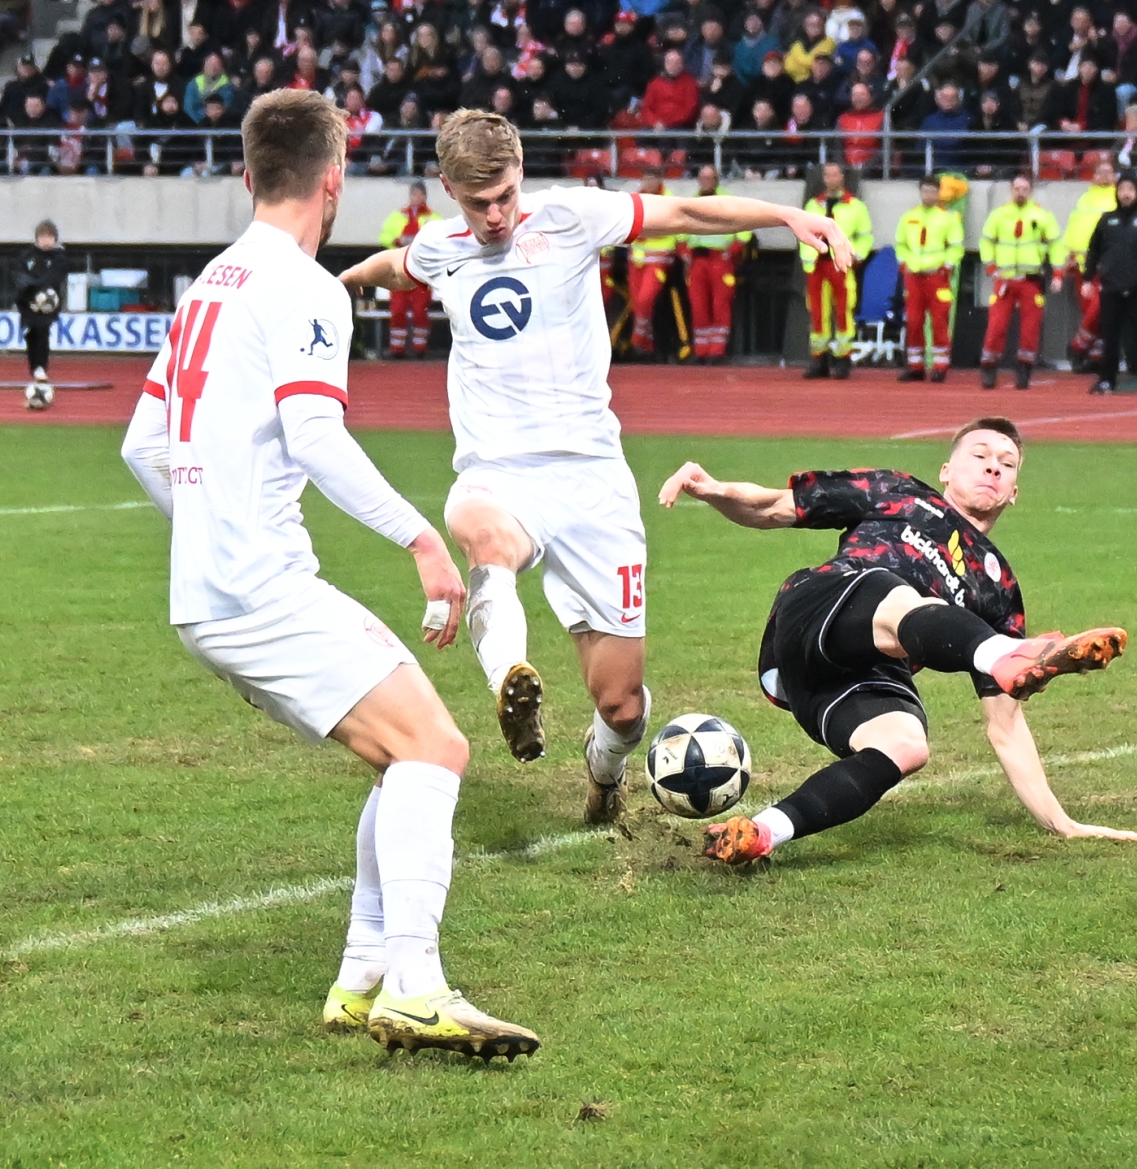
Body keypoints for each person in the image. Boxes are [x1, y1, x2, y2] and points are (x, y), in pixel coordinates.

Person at [118, 90, 536, 1059]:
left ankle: (360, 979)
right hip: (260, 585)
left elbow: (143, 444)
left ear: (248, 175)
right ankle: (417, 986)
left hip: (212, 592)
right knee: (436, 747)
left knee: (405, 751)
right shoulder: (306, 285)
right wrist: (421, 538)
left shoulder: (209, 283)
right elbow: (314, 433)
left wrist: (209, 536)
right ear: (334, 180)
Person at [338, 109, 852, 824]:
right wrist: (341, 282)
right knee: (484, 536)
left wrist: (787, 214)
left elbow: (684, 212)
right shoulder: (439, 246)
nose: (495, 215)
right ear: (450, 190)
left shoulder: (571, 216)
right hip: (499, 470)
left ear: (522, 174)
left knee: (623, 705)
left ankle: (604, 772)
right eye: (479, 202)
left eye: (506, 195)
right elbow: (395, 269)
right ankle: (511, 681)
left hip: (593, 481)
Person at [655, 419, 1137, 865]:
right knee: (898, 595)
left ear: (1014, 492)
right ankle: (1001, 653)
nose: (993, 467)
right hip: (820, 606)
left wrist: (1063, 823)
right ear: (946, 470)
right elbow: (770, 507)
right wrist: (713, 489)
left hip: (848, 677)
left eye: (1007, 464)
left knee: (906, 745)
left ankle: (763, 832)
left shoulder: (998, 588)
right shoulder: (899, 492)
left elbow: (1006, 726)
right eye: (979, 455)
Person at [978, 170, 1062, 390]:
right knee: (996, 325)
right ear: (1011, 190)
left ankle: (1024, 368)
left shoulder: (1042, 216)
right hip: (1004, 279)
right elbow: (986, 241)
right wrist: (990, 266)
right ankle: (989, 366)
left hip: (1031, 279)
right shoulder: (999, 215)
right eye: (1017, 189)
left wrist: (1058, 273)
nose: (1020, 192)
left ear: (1031, 191)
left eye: (1025, 189)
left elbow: (1055, 244)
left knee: (1030, 327)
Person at [1085, 173, 1137, 395]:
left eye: (1130, 189)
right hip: (1111, 287)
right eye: (1122, 189)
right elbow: (1093, 250)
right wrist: (1088, 278)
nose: (1126, 194)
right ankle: (1107, 380)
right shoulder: (1106, 221)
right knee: (1110, 337)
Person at [799, 160, 874, 379]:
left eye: (834, 175)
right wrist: (807, 259)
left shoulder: (856, 206)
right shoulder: (813, 205)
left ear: (842, 177)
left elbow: (866, 237)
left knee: (843, 311)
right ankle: (819, 359)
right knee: (817, 313)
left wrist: (855, 256)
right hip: (817, 265)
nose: (830, 179)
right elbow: (804, 234)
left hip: (840, 265)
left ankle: (843, 359)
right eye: (827, 175)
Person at [893, 173, 964, 383]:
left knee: (939, 321)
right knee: (914, 321)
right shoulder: (909, 217)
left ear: (939, 193)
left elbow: (956, 246)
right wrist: (904, 264)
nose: (928, 195)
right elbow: (901, 244)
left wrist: (946, 267)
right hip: (914, 277)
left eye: (932, 191)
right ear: (920, 192)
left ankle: (940, 366)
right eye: (925, 191)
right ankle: (916, 366)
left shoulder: (949, 217)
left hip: (937, 277)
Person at [680, 165, 751, 363]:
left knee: (720, 304)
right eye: (703, 178)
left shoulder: (728, 202)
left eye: (709, 178)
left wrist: (731, 251)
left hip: (720, 260)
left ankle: (717, 350)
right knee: (698, 305)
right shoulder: (691, 203)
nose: (706, 182)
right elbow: (680, 233)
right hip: (697, 261)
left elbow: (745, 230)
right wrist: (684, 253)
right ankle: (701, 350)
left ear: (716, 180)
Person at [1054, 156, 1116, 372]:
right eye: (1100, 172)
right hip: (1081, 266)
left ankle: (1078, 346)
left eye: (1108, 172)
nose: (1104, 176)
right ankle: (1096, 358)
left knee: (1100, 310)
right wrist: (1067, 258)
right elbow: (1074, 230)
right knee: (1091, 311)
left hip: (1106, 266)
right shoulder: (1084, 199)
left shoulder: (1117, 198)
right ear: (1094, 175)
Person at [623, 166, 684, 360]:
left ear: (660, 179)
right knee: (638, 303)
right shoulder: (634, 199)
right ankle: (646, 344)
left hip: (659, 260)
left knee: (645, 299)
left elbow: (671, 227)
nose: (649, 182)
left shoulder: (668, 200)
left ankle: (638, 340)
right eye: (646, 178)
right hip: (636, 261)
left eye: (652, 178)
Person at [376, 182, 438, 357]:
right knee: (397, 309)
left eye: (420, 195)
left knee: (420, 311)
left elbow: (439, 240)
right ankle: (397, 350)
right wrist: (397, 240)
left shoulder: (434, 218)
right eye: (414, 194)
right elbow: (384, 236)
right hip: (400, 270)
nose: (417, 198)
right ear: (410, 196)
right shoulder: (398, 216)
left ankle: (420, 349)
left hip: (421, 272)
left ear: (424, 196)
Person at [13, 220, 68, 391]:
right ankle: (35, 366)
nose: (46, 240)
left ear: (55, 239)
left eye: (49, 237)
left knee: (42, 331)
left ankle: (40, 367)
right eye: (43, 236)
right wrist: (26, 287)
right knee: (31, 333)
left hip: (48, 304)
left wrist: (35, 286)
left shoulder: (59, 258)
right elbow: (19, 274)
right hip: (27, 302)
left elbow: (53, 277)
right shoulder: (27, 255)